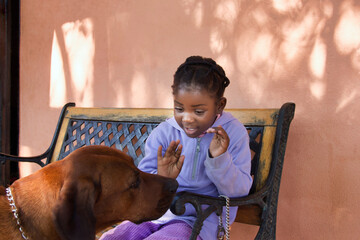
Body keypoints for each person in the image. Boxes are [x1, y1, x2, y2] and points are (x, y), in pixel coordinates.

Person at [100, 56, 253, 240]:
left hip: (199, 222)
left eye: (198, 111)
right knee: (113, 237)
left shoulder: (234, 134)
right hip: (155, 213)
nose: (187, 119)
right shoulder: (165, 132)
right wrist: (162, 177)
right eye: (179, 108)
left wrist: (218, 159)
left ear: (219, 105)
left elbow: (239, 191)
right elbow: (142, 180)